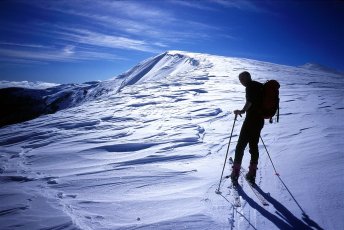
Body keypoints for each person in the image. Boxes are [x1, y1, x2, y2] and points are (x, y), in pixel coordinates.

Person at [231, 71, 264, 184]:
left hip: (250, 121)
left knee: (240, 146)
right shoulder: (260, 86)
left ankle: (235, 172)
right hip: (260, 121)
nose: (241, 82)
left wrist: (242, 110)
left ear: (247, 78)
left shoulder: (250, 87)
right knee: (253, 146)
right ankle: (252, 173)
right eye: (240, 80)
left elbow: (250, 101)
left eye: (242, 79)